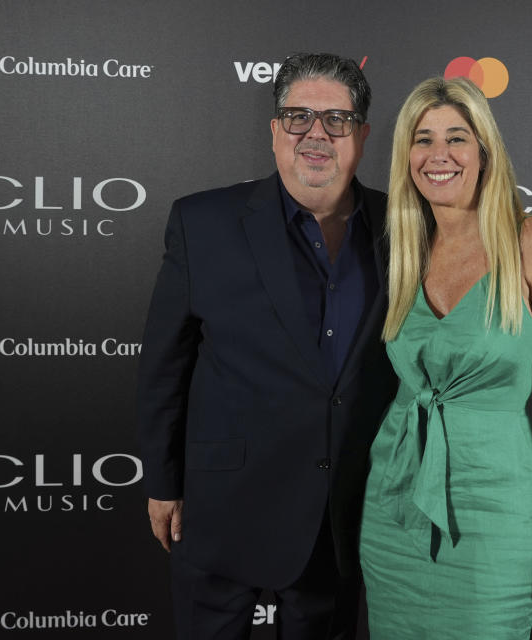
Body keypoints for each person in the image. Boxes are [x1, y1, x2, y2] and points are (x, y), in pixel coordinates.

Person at [137, 52, 395, 640]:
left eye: (336, 119)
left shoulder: (403, 225)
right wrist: (162, 480)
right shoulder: (201, 221)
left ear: (362, 133)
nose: (316, 135)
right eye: (298, 116)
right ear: (274, 129)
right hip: (220, 506)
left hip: (341, 514)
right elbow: (163, 365)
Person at [359, 77, 532, 639]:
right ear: (406, 157)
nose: (438, 155)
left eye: (456, 138)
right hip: (395, 503)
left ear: (484, 152)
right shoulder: (403, 250)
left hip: (494, 505)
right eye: (422, 139)